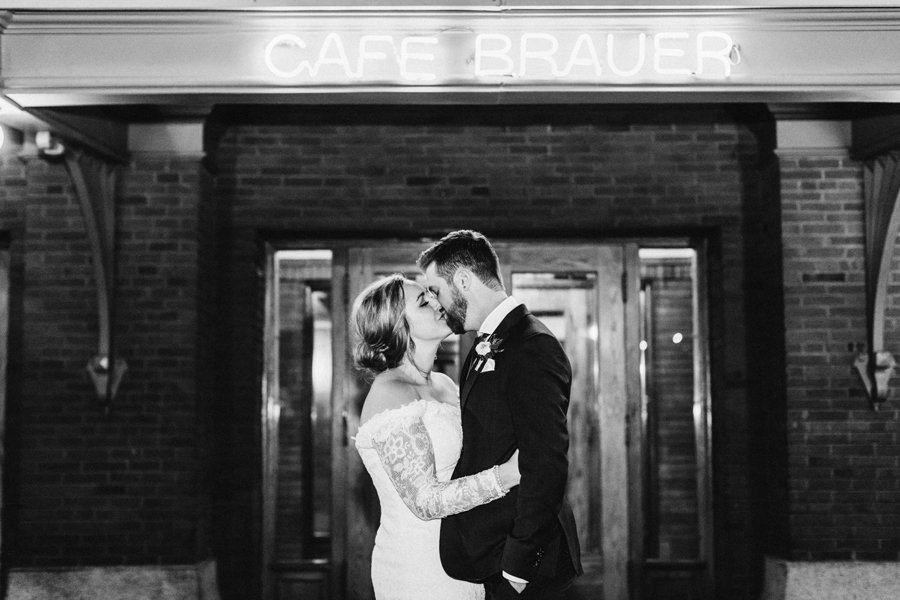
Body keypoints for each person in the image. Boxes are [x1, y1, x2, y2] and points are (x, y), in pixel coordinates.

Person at [418, 230, 583, 600]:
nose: (435, 302)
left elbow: (545, 462)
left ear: (463, 280)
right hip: (487, 554)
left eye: (435, 289)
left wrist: (518, 568)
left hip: (522, 566)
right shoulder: (481, 346)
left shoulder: (533, 346)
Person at [352, 273, 521, 600]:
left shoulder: (443, 384)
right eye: (423, 302)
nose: (437, 303)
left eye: (433, 295)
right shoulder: (390, 393)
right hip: (419, 567)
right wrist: (508, 475)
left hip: (462, 555)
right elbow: (426, 501)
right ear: (397, 323)